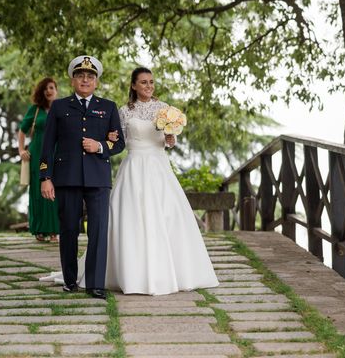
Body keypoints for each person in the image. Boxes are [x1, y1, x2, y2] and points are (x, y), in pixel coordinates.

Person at [102, 66, 218, 295]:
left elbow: (169, 142)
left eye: (151, 82)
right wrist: (109, 138)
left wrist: (170, 138)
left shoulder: (164, 109)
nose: (148, 86)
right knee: (131, 216)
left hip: (158, 167)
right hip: (134, 166)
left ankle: (172, 273)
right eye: (143, 82)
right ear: (134, 85)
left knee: (168, 214)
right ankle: (131, 274)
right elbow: (120, 142)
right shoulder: (124, 111)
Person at [40, 55, 125, 300]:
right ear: (73, 79)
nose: (85, 80)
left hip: (98, 178)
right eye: (80, 76)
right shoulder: (59, 106)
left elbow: (118, 142)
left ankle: (95, 284)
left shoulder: (108, 107)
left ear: (96, 81)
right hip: (66, 178)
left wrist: (99, 146)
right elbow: (47, 145)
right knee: (68, 230)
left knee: (98, 231)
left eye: (90, 76)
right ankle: (69, 280)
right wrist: (45, 177)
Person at [18, 77, 60, 243]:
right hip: (37, 154)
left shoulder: (61, 108)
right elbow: (22, 131)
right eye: (45, 89)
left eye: (51, 87)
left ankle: (54, 231)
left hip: (57, 154)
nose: (49, 91)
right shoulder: (35, 110)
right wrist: (21, 150)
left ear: (56, 90)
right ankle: (39, 229)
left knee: (56, 190)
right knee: (38, 191)